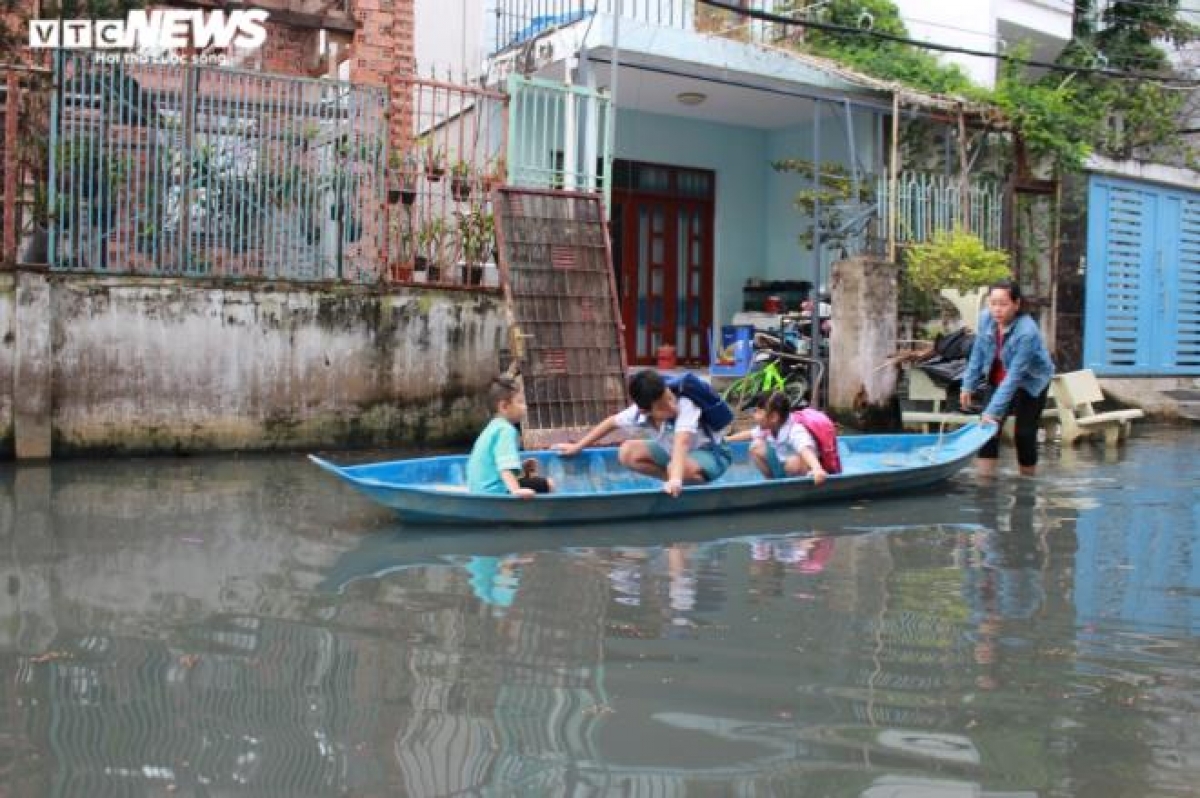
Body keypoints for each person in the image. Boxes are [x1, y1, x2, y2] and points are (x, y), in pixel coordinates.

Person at [554, 370, 731, 497]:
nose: (672, 406)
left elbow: (681, 443)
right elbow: (611, 422)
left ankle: (681, 485)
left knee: (675, 468)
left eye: (669, 397)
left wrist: (675, 479)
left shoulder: (686, 404)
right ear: (646, 411)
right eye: (662, 406)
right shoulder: (638, 412)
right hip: (677, 458)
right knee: (626, 452)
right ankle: (675, 482)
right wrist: (577, 447)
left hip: (713, 455)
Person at [959, 280, 1055, 477]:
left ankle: (1027, 485)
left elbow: (1014, 377)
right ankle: (984, 486)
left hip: (1030, 381)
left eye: (1003, 304)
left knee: (1024, 434)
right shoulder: (985, 319)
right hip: (997, 376)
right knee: (987, 431)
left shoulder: (1027, 332)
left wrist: (993, 411)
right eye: (993, 303)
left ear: (1016, 304)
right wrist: (967, 385)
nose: (997, 309)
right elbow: (978, 352)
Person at [466, 376, 554, 497]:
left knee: (533, 481)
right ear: (504, 406)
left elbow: (496, 465)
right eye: (520, 402)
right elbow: (505, 467)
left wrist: (522, 469)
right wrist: (515, 490)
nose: (525, 407)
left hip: (478, 490)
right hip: (495, 491)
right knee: (549, 484)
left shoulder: (492, 427)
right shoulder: (506, 430)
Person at [747, 391, 828, 485]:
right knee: (755, 446)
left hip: (807, 466)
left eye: (759, 412)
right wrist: (728, 439)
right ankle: (771, 484)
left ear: (773, 417)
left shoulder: (795, 430)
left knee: (792, 463)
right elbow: (750, 433)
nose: (754, 415)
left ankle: (796, 489)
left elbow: (805, 449)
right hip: (783, 464)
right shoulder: (770, 426)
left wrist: (817, 468)